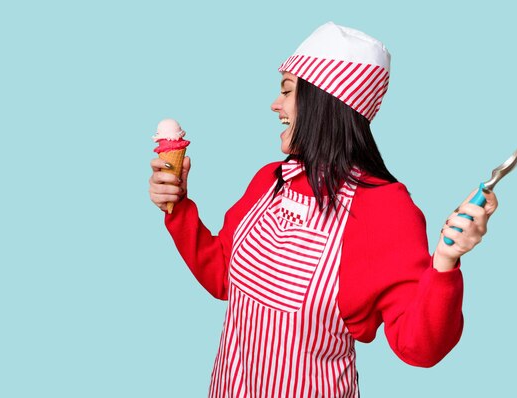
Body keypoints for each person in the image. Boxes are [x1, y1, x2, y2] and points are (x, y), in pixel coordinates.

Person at [149, 22, 497, 398]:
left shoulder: (385, 207)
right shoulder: (269, 181)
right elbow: (222, 276)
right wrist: (178, 207)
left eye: (286, 90)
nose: (275, 104)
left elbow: (420, 347)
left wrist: (445, 261)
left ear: (323, 101)